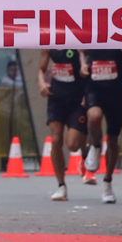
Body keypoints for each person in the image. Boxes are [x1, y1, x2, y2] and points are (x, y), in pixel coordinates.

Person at [81, 47, 122, 203]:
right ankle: (95, 146)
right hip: (94, 89)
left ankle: (107, 182)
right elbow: (81, 50)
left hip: (116, 93)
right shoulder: (93, 36)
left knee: (113, 140)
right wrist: (83, 64)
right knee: (94, 116)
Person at [39, 45, 87, 201]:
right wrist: (42, 83)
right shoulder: (49, 45)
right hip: (56, 98)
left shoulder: (77, 43)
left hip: (76, 99)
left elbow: (85, 64)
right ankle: (61, 185)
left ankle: (85, 149)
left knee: (72, 145)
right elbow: (41, 69)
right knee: (55, 139)